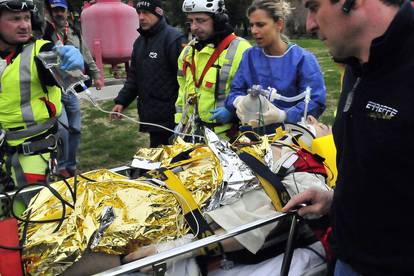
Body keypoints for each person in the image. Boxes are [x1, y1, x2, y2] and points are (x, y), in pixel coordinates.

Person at [23, 117, 333, 275]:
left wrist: (173, 249)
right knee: (84, 198)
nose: (316, 122)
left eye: (321, 125)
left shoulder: (308, 176)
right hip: (169, 187)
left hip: (174, 213)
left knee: (95, 234)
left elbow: (243, 231)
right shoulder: (265, 143)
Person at [282, 0, 414, 275]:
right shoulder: (357, 64)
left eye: (313, 7)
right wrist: (336, 200)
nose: (309, 24)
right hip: (348, 257)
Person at [0, 0, 84, 188]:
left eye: (27, 18)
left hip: (34, 154)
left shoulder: (42, 51)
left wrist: (71, 64)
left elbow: (71, 79)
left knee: (32, 212)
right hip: (3, 152)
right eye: (15, 19)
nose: (24, 25)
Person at [225, 0, 326, 134]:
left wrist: (283, 115)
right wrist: (238, 101)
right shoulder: (249, 56)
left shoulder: (302, 59)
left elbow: (316, 102)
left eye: (260, 25)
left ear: (279, 24)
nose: (254, 31)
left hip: (291, 139)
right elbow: (234, 92)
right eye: (252, 25)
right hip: (253, 139)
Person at [111, 0, 186, 148]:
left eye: (146, 13)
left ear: (158, 13)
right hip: (151, 116)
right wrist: (122, 101)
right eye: (139, 13)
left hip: (173, 118)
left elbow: (185, 80)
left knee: (176, 162)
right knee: (157, 160)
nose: (141, 17)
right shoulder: (139, 42)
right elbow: (134, 77)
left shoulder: (174, 39)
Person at [175, 0, 251, 141]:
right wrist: (180, 122)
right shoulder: (187, 52)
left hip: (228, 139)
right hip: (191, 135)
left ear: (219, 20)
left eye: (200, 20)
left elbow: (255, 95)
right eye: (190, 21)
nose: (194, 27)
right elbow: (182, 91)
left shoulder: (242, 50)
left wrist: (233, 112)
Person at [43, 0, 102, 177]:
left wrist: (96, 75)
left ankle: (71, 164)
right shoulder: (45, 31)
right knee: (62, 128)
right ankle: (61, 166)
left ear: (67, 12)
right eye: (56, 10)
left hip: (70, 88)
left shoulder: (75, 32)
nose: (59, 14)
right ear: (50, 12)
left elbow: (87, 55)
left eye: (62, 10)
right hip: (53, 88)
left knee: (75, 128)